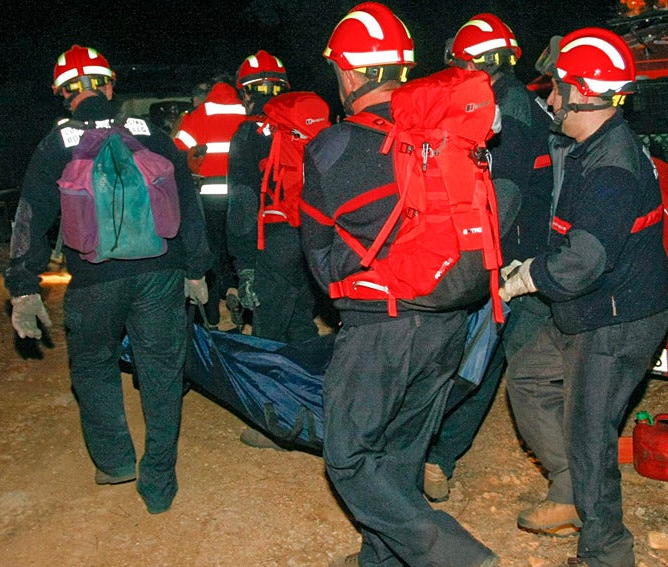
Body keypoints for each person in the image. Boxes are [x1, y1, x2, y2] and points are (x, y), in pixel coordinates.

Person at [301, 4, 498, 566]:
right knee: (401, 455)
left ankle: (455, 555)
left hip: (381, 327)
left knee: (348, 458)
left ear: (350, 72)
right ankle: (380, 562)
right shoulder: (443, 136)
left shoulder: (331, 148)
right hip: (450, 317)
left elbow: (318, 258)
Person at [4, 45, 212, 515]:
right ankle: (160, 482)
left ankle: (116, 461)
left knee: (94, 363)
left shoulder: (57, 143)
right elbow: (189, 203)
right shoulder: (152, 134)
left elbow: (31, 218)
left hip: (93, 278)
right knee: (160, 370)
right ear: (110, 86)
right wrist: (197, 269)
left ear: (64, 94)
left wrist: (23, 286)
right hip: (160, 271)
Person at [499, 28, 668, 566]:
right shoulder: (590, 146)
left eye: (557, 88)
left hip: (617, 318)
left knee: (589, 433)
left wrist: (528, 276)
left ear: (583, 92)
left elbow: (584, 261)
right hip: (594, 306)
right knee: (528, 377)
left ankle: (606, 552)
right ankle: (573, 485)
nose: (550, 99)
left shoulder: (610, 168)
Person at [423, 13, 556, 504]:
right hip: (527, 255)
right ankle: (438, 456)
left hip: (515, 263)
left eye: (458, 64)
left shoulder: (510, 117)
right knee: (489, 361)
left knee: (477, 361)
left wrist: (458, 259)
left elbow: (502, 204)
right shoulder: (509, 102)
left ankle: (436, 457)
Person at [227, 50, 318, 343]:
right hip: (311, 235)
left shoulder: (247, 133)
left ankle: (268, 386)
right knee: (300, 319)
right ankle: (309, 383)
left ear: (245, 93)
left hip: (275, 240)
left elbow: (243, 203)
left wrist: (245, 266)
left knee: (268, 332)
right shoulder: (304, 126)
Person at [172, 77, 246, 327]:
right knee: (239, 252)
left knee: (211, 255)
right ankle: (238, 294)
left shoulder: (197, 117)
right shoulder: (248, 115)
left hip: (208, 199)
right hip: (242, 200)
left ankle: (212, 318)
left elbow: (179, 156)